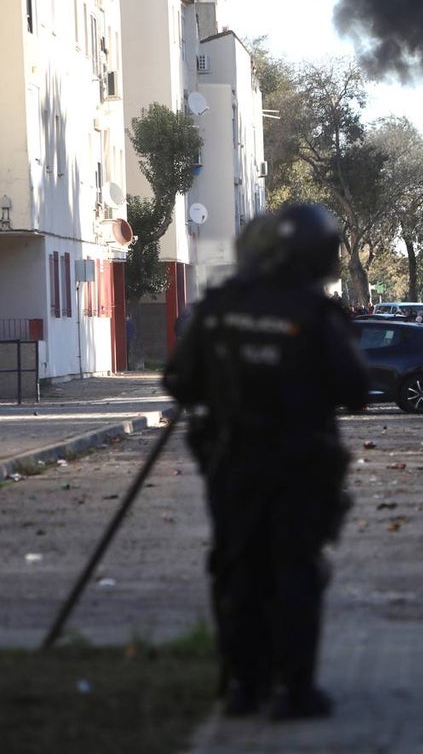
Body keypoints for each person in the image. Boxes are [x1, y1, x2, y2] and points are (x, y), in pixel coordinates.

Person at [163, 203, 370, 721]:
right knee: (296, 572)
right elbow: (356, 389)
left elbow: (179, 381)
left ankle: (243, 686)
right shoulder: (315, 313)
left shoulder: (219, 308)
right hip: (301, 467)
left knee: (238, 569)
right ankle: (294, 692)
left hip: (232, 465)